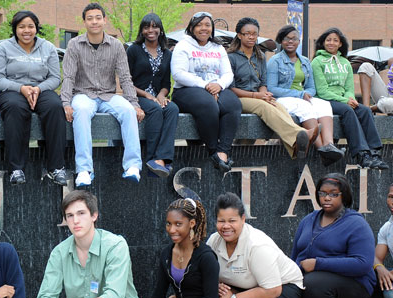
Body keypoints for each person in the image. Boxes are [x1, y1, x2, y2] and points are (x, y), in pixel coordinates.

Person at [61, 3, 145, 187]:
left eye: (98, 17)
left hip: (108, 95)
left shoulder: (116, 45)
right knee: (80, 111)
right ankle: (84, 170)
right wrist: (66, 102)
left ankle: (132, 166)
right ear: (84, 22)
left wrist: (135, 103)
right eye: (90, 18)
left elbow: (124, 77)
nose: (94, 22)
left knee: (128, 111)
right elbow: (68, 76)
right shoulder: (74, 45)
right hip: (83, 94)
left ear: (104, 20)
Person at [0, 10, 67, 186]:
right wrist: (21, 88)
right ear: (15, 29)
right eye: (21, 27)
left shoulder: (48, 47)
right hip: (12, 90)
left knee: (55, 106)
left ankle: (56, 167)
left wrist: (38, 89)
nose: (27, 30)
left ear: (36, 28)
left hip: (41, 89)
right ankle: (16, 169)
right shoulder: (4, 48)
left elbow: (55, 78)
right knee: (16, 107)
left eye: (30, 26)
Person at [227, 18, 319, 160]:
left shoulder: (260, 56)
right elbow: (231, 88)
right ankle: (300, 134)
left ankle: (296, 149)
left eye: (254, 34)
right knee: (264, 107)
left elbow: (263, 83)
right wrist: (257, 96)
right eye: (247, 34)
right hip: (238, 98)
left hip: (258, 96)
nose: (251, 37)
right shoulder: (231, 57)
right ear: (239, 35)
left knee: (278, 106)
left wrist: (264, 93)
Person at [36, 190, 142, 298]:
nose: (75, 221)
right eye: (70, 216)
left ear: (94, 215)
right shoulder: (59, 252)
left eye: (81, 213)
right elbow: (46, 296)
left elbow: (114, 297)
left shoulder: (115, 245)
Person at [290, 173, 376, 298]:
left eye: (334, 194)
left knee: (313, 284)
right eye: (322, 193)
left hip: (354, 284)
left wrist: (318, 264)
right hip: (312, 278)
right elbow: (295, 255)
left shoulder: (356, 223)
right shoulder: (308, 220)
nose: (327, 198)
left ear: (344, 196)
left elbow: (363, 263)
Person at [171, 12, 241, 173]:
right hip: (187, 90)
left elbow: (228, 74)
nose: (204, 28)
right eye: (199, 25)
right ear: (191, 28)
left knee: (234, 104)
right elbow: (178, 74)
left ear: (212, 28)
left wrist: (219, 85)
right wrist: (206, 85)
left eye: (207, 25)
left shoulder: (218, 47)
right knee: (209, 105)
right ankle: (212, 150)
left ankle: (223, 151)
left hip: (216, 88)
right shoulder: (183, 45)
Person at [311, 28, 389, 170]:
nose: (331, 43)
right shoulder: (317, 61)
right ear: (323, 43)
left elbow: (349, 89)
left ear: (340, 44)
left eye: (335, 40)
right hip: (325, 101)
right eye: (328, 40)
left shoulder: (345, 63)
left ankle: (374, 153)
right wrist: (345, 101)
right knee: (347, 110)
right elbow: (322, 91)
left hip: (343, 100)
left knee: (365, 110)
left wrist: (350, 99)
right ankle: (361, 155)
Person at [266, 25, 343, 166]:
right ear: (281, 41)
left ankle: (329, 145)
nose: (290, 42)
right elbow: (272, 88)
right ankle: (322, 150)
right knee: (304, 107)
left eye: (294, 39)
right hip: (282, 99)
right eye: (286, 39)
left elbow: (311, 87)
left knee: (324, 104)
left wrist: (307, 94)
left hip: (301, 96)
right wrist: (299, 94)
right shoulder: (274, 61)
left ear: (299, 41)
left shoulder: (305, 61)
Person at [209, 192, 304, 298]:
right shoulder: (214, 241)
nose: (226, 226)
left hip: (281, 288)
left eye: (232, 221)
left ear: (243, 219)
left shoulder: (257, 246)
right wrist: (219, 287)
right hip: (243, 288)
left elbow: (273, 290)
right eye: (221, 221)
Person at [126, 13, 179, 178]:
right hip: (136, 95)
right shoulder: (134, 50)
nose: (151, 30)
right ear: (142, 31)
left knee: (172, 109)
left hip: (157, 97)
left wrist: (162, 95)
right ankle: (151, 160)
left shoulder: (167, 53)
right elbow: (125, 82)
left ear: (160, 30)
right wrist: (148, 96)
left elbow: (166, 84)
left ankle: (162, 159)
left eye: (155, 26)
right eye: (146, 27)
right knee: (156, 110)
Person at [148, 198, 219, 298]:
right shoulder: (167, 254)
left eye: (178, 224)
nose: (171, 230)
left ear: (191, 223)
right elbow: (159, 294)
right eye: (168, 224)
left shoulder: (206, 257)